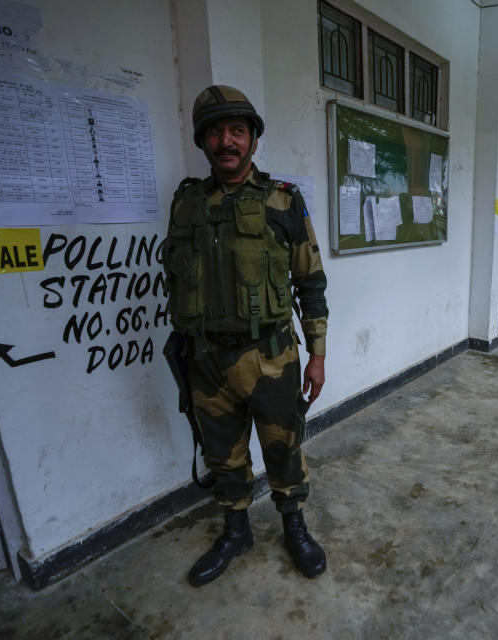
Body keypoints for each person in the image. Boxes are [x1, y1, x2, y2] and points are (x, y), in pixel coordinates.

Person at [164, 85, 329, 584]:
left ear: (253, 140)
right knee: (223, 455)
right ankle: (236, 529)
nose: (226, 141)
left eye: (237, 130)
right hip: (206, 360)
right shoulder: (186, 205)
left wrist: (317, 355)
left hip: (271, 357)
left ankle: (293, 526)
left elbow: (311, 282)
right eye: (215, 132)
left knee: (283, 448)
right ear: (203, 142)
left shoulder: (283, 202)